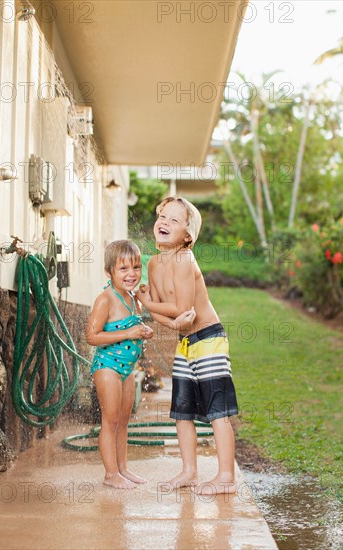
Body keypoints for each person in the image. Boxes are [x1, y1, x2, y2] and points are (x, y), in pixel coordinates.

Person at [137, 196, 239, 495]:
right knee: (182, 412)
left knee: (217, 411)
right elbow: (159, 311)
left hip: (208, 338)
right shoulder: (154, 263)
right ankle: (189, 472)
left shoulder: (184, 259)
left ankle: (226, 477)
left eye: (174, 219)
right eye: (162, 216)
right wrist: (168, 321)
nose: (164, 222)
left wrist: (149, 303)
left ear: (187, 235)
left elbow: (179, 305)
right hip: (185, 342)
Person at [86, 239, 154, 489]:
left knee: (124, 421)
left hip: (126, 370)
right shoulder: (106, 299)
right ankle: (110, 473)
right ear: (109, 272)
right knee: (110, 420)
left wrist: (143, 330)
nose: (131, 274)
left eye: (136, 267)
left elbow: (131, 327)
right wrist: (129, 334)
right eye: (123, 269)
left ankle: (122, 468)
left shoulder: (132, 299)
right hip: (108, 368)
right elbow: (92, 336)